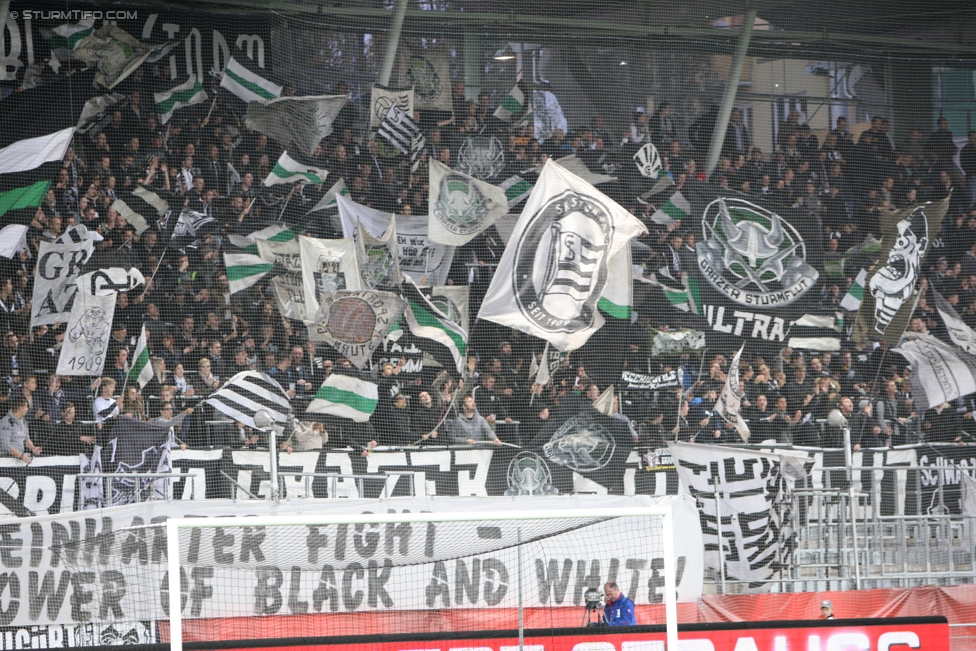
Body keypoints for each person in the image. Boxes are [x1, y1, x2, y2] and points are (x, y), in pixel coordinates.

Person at [0, 397, 39, 464]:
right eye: (26, 406)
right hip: (6, 459)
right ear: (20, 408)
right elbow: (5, 444)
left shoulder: (23, 421)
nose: (27, 409)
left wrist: (33, 448)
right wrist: (20, 456)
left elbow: (26, 439)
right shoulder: (6, 422)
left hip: (20, 458)